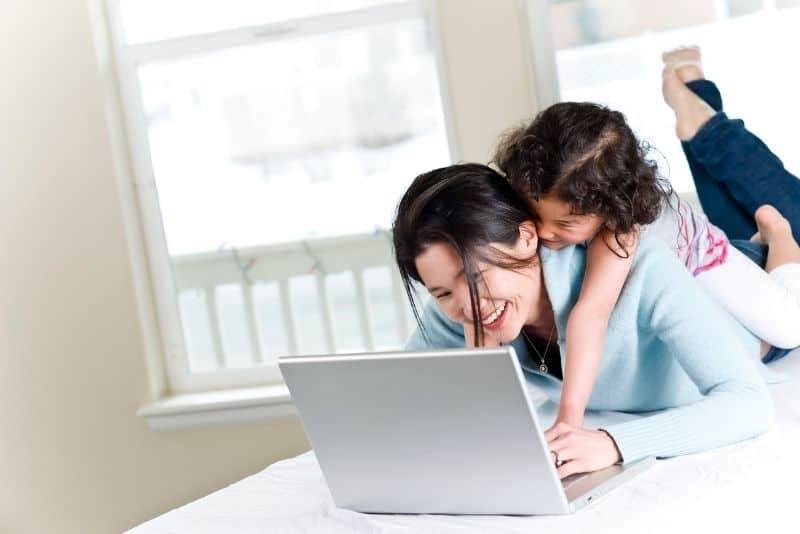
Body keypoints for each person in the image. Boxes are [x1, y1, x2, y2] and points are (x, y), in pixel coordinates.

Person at [394, 163, 782, 479]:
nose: (468, 307)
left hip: (745, 310)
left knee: (787, 312)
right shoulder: (459, 314)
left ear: (526, 237)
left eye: (475, 278)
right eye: (441, 292)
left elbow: (749, 403)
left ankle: (779, 240)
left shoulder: (644, 268)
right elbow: (399, 398)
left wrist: (612, 443)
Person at [490, 48, 800, 430]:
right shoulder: (547, 191)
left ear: (609, 208)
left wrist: (569, 419)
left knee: (789, 325)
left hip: (699, 258)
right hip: (673, 274)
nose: (543, 233)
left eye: (564, 226)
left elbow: (591, 311)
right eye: (535, 216)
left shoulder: (620, 228)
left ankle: (779, 237)